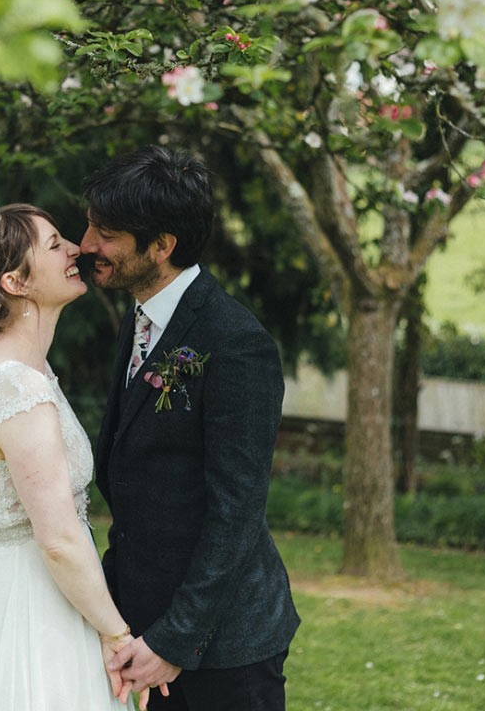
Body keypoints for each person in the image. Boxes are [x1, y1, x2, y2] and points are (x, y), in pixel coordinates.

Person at [80, 146, 301, 710]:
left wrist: (175, 639)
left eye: (106, 233)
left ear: (161, 246)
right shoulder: (141, 319)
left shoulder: (235, 343)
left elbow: (237, 512)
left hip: (224, 645)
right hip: (147, 624)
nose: (86, 246)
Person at [0, 203, 147, 711]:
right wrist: (117, 636)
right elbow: (61, 540)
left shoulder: (23, 370)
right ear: (15, 283)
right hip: (32, 601)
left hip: (11, 584)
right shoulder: (16, 387)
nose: (76, 249)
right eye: (54, 245)